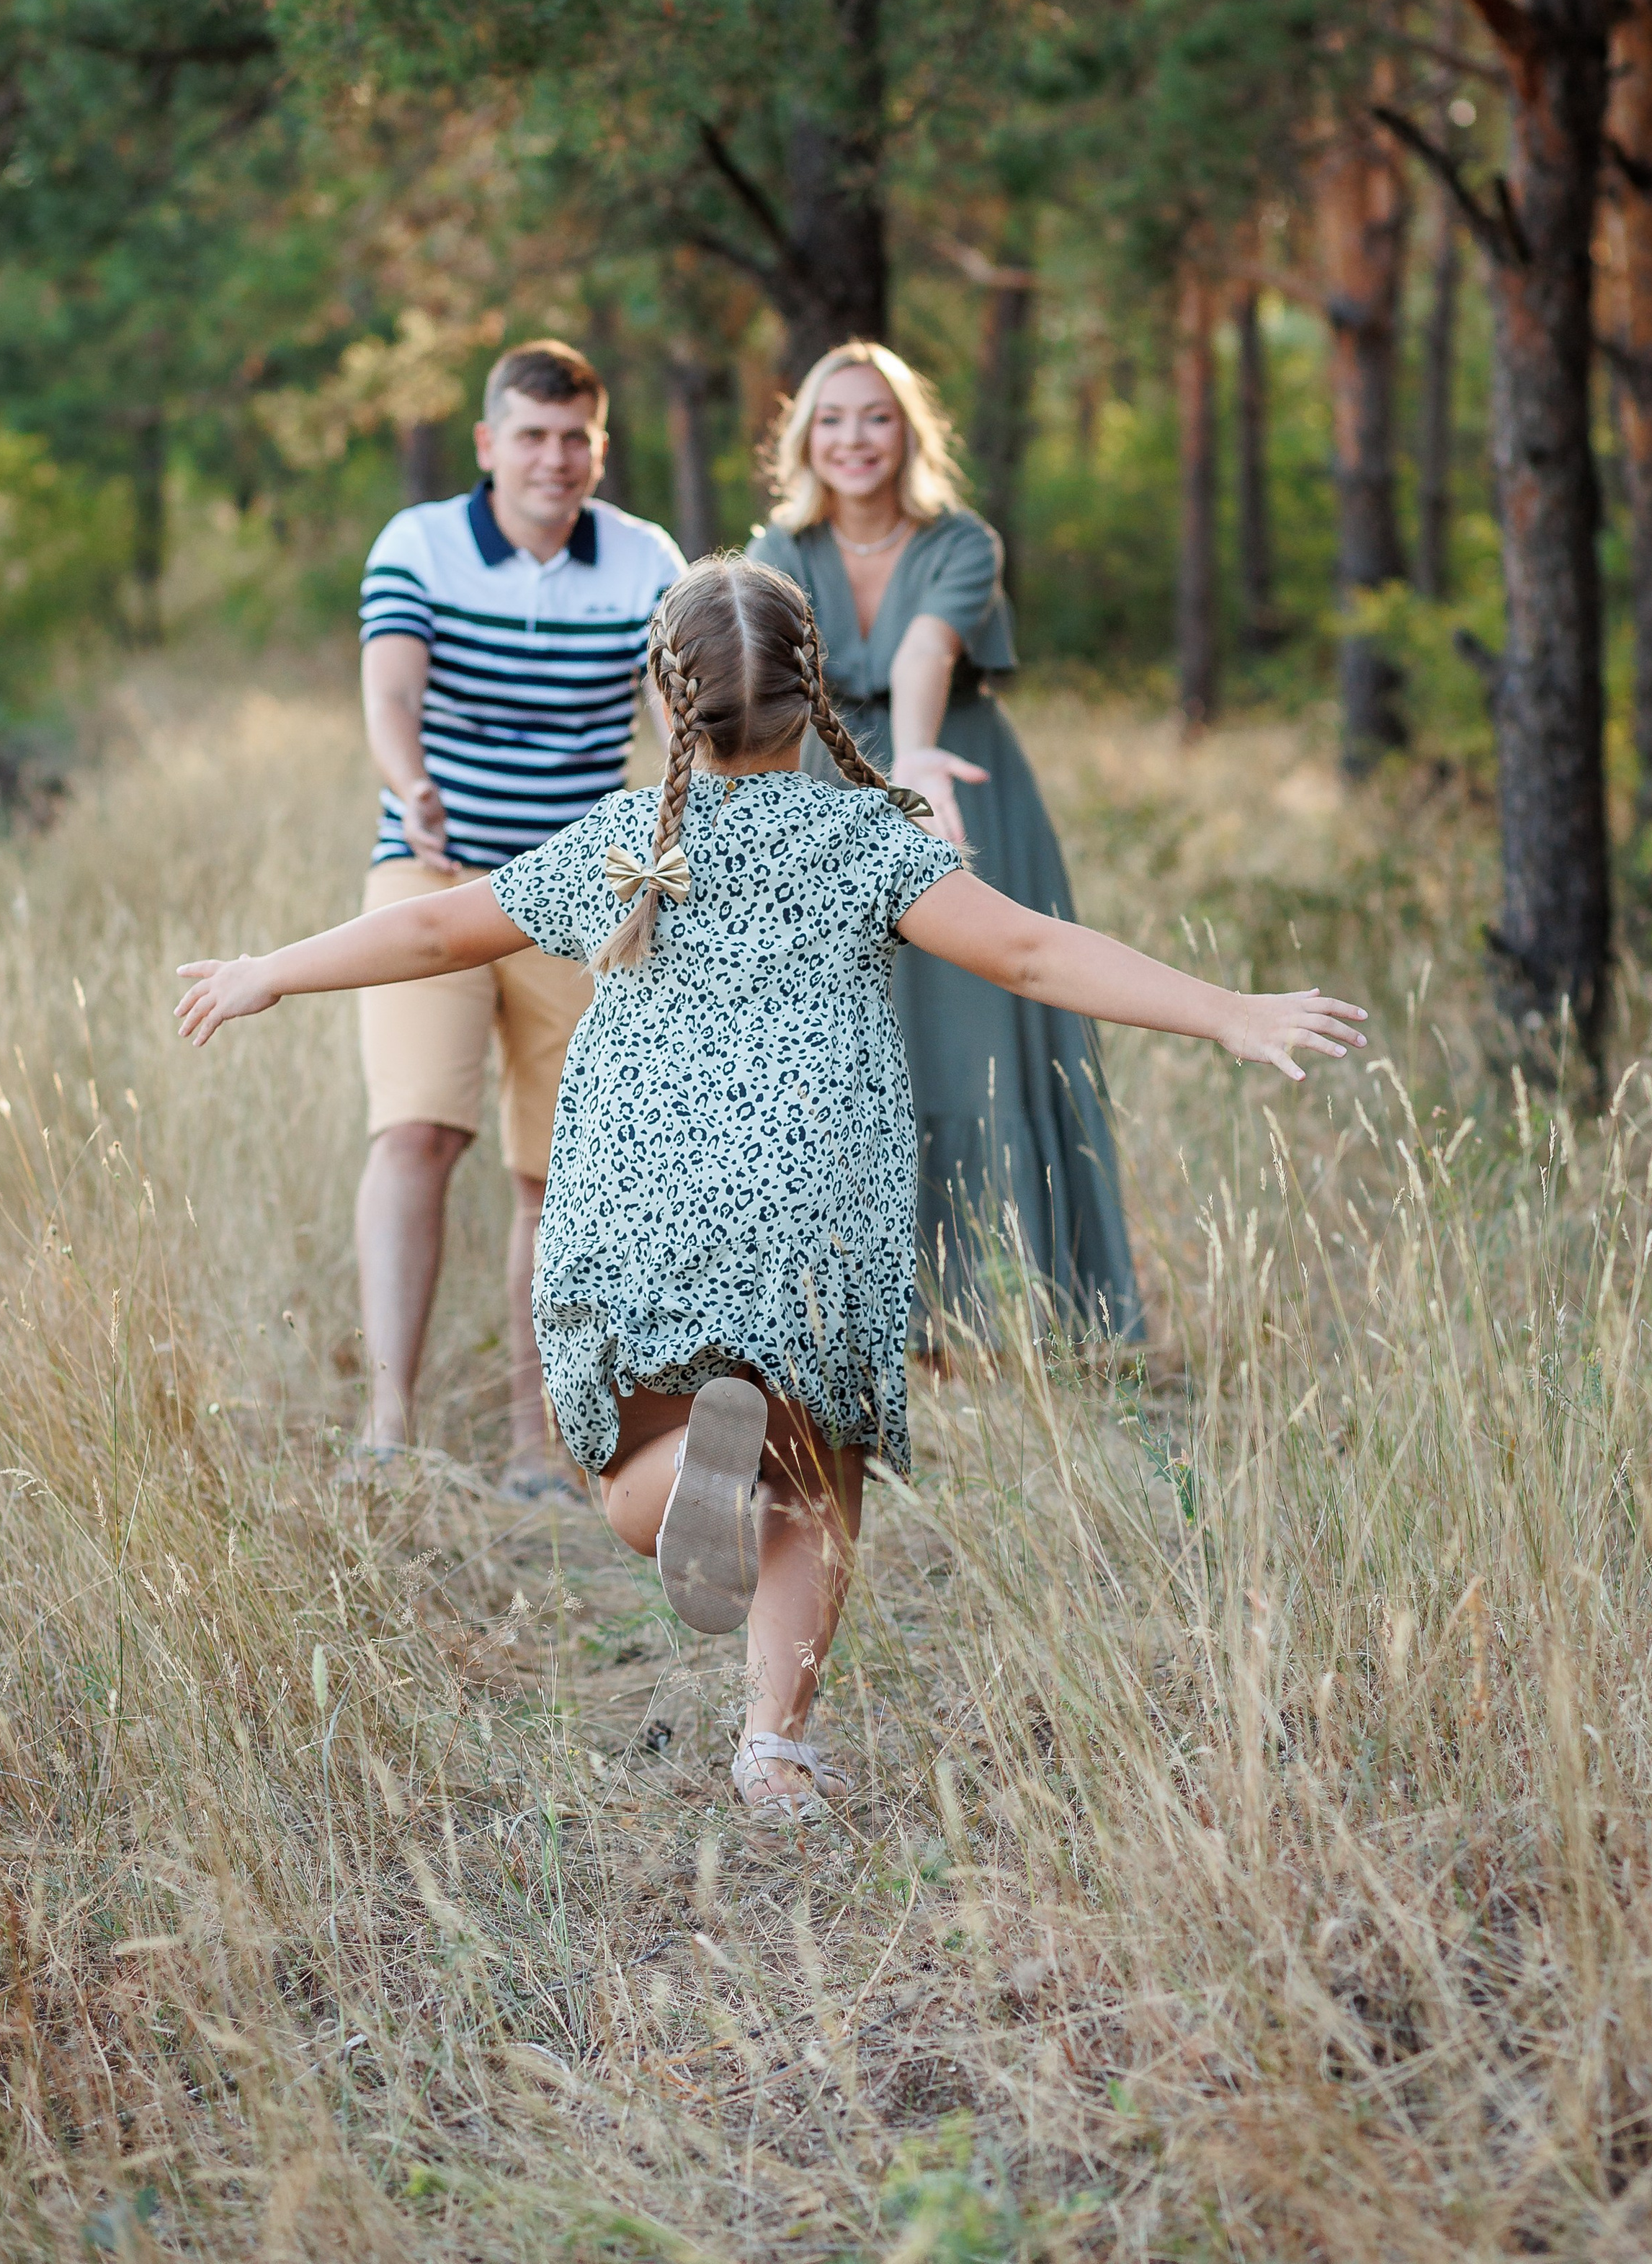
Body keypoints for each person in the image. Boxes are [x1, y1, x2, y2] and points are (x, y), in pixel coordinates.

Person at [177, 556, 1366, 1819]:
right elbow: (1029, 951)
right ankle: (774, 1751)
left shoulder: (630, 841)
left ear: (662, 696)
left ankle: (691, 1462)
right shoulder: (867, 841)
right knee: (818, 1470)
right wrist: (1224, 1009)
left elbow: (431, 929)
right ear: (817, 694)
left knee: (636, 1446)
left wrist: (275, 969)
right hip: (814, 1196)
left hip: (642, 1194)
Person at [748, 341, 1141, 1338]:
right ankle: (865, 1312)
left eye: (875, 416)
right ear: (804, 438)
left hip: (962, 786)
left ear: (908, 432)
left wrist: (914, 765)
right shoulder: (776, 554)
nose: (853, 439)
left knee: (986, 1033)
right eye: (831, 419)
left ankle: (1019, 1313)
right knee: (847, 1036)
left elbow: (926, 647)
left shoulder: (963, 540)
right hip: (828, 798)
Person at [353, 337, 683, 1494]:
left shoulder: (644, 556)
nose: (555, 459)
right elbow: (392, 689)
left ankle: (539, 1443)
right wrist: (412, 783)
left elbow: (672, 703)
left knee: (556, 1171)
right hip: (433, 879)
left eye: (575, 438)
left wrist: (696, 809)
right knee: (419, 1134)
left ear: (601, 447)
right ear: (490, 444)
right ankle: (390, 1436)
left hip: (580, 897)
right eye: (532, 438)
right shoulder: (423, 543)